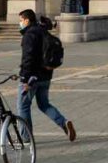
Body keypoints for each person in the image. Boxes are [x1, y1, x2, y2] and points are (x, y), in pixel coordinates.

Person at [17, 9, 75, 142]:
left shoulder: (29, 35)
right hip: (46, 75)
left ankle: (26, 138)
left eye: (21, 20)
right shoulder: (43, 31)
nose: (20, 23)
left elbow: (28, 58)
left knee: (23, 106)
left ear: (27, 20)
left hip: (31, 78)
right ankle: (64, 123)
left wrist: (25, 79)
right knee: (44, 104)